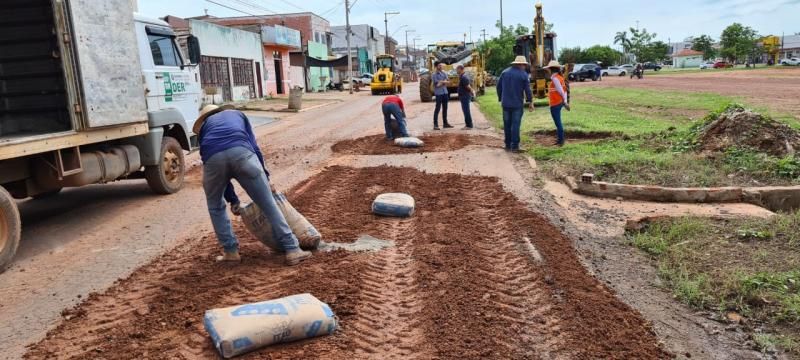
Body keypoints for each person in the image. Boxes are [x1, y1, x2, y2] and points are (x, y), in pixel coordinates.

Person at [193, 104, 312, 266]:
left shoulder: (205, 130)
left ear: (204, 120)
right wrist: (266, 178)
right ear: (222, 110)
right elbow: (254, 147)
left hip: (214, 161)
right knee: (267, 202)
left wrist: (233, 200)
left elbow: (215, 159)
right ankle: (292, 249)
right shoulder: (237, 115)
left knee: (215, 207)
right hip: (243, 155)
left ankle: (231, 252)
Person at [496, 56, 533, 153]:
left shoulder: (504, 73)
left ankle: (507, 145)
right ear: (520, 65)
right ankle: (515, 146)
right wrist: (530, 101)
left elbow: (498, 87)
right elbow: (527, 90)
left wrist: (500, 98)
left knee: (507, 124)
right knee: (515, 125)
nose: (525, 67)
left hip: (505, 104)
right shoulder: (523, 75)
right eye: (524, 65)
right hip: (517, 104)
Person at [546, 60, 570, 146]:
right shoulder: (560, 77)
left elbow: (561, 91)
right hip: (558, 102)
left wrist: (565, 102)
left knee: (558, 123)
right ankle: (560, 139)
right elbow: (565, 91)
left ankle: (561, 141)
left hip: (555, 103)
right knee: (558, 122)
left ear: (551, 69)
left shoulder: (555, 78)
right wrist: (565, 101)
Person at [432, 62, 452, 130]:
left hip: (445, 93)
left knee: (445, 108)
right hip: (438, 94)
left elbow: (449, 82)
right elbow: (437, 85)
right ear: (436, 66)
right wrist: (444, 82)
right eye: (439, 65)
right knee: (437, 109)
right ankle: (435, 124)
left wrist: (442, 82)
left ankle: (445, 123)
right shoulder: (434, 75)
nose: (441, 66)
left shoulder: (444, 73)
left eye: (441, 65)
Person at [456, 64, 475, 129]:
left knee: (466, 111)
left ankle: (469, 125)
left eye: (457, 69)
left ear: (460, 69)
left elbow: (468, 86)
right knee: (466, 111)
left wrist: (472, 92)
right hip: (464, 96)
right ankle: (468, 124)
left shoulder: (464, 77)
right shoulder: (462, 76)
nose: (456, 70)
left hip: (465, 96)